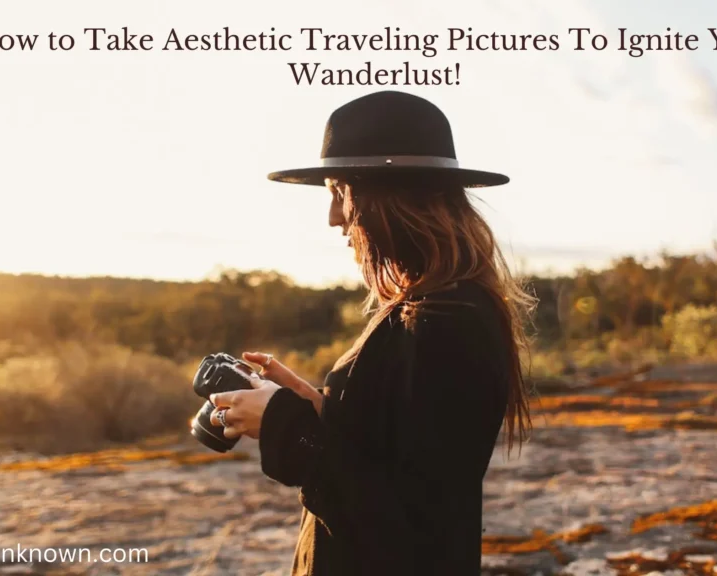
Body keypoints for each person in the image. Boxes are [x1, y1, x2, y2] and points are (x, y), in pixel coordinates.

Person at [206, 90, 538, 575]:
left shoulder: (448, 322)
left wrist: (285, 424)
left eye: (340, 193)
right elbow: (394, 451)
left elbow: (409, 516)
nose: (334, 217)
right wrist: (316, 408)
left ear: (389, 198)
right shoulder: (435, 307)